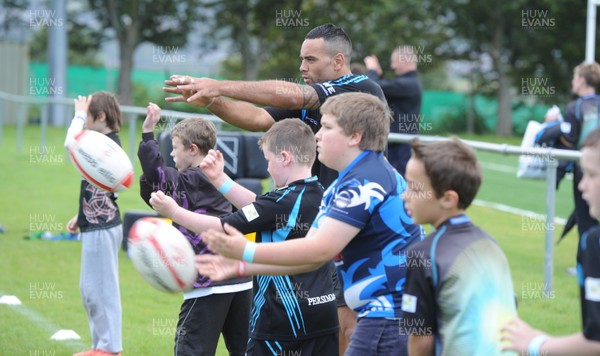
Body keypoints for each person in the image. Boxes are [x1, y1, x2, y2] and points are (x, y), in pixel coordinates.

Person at [163, 22, 386, 352]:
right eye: (301, 59)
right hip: (318, 218)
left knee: (347, 329)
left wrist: (218, 84)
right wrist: (210, 99)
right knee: (324, 321)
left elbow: (297, 94)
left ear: (338, 62)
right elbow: (256, 119)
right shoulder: (308, 102)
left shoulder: (359, 89)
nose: (302, 67)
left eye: (310, 60)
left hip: (354, 227)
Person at [194, 92, 424, 356]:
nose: (317, 135)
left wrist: (245, 251)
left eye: (327, 127)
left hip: (388, 321)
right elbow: (310, 255)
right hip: (381, 319)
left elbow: (320, 250)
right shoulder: (343, 184)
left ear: (354, 136)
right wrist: (242, 265)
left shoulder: (365, 183)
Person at [150, 119, 339, 356]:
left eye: (269, 160)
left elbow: (222, 225)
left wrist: (174, 212)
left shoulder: (282, 202)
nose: (268, 168)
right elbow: (260, 207)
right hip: (324, 310)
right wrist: (219, 179)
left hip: (282, 318)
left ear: (285, 157)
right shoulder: (318, 192)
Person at [137, 103, 252, 356]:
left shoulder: (189, 179)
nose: (173, 155)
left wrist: (148, 132)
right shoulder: (221, 178)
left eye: (175, 148)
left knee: (191, 351)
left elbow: (154, 173)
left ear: (193, 149)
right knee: (245, 350)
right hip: (241, 281)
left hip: (206, 283)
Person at [400, 138, 517, 355]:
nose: (404, 195)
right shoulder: (491, 245)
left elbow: (420, 337)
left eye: (414, 188)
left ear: (447, 199)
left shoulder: (423, 254)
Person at [501, 128, 600, 355]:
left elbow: (596, 341)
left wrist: (536, 344)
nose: (582, 185)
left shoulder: (594, 243)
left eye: (592, 175)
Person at [64, 93, 124, 356]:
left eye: (87, 118)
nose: (84, 123)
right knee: (90, 289)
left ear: (100, 117)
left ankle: (110, 348)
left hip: (103, 226)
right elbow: (105, 188)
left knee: (102, 289)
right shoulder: (104, 143)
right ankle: (100, 345)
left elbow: (70, 144)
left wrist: (77, 114)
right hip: (95, 223)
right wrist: (81, 215)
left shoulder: (106, 145)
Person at [544, 62, 600, 241]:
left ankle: (584, 265)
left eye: (574, 78)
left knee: (585, 219)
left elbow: (569, 140)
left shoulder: (574, 107)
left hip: (585, 169)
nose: (572, 82)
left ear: (582, 80)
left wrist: (552, 126)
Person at [364, 45, 422, 176]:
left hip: (402, 145)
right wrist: (378, 74)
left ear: (404, 60)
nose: (392, 66)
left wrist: (373, 71)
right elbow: (383, 89)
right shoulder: (407, 83)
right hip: (399, 143)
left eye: (394, 62)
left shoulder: (408, 84)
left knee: (399, 182)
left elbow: (375, 87)